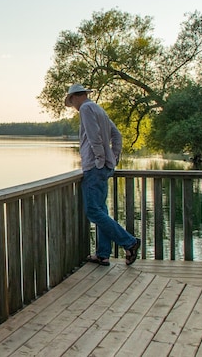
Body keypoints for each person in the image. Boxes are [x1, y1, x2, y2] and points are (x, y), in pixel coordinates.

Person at [65, 83, 141, 266]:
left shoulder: (85, 109)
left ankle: (129, 242)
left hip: (95, 167)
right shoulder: (99, 110)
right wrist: (113, 157)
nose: (73, 106)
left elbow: (93, 137)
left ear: (75, 97)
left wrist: (100, 159)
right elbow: (117, 135)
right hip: (104, 167)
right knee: (101, 209)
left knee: (92, 211)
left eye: (72, 101)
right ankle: (103, 254)